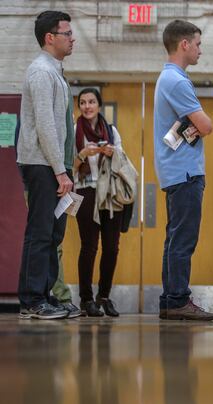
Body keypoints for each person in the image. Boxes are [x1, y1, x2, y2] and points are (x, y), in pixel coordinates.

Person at [153, 20, 213, 320]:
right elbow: (206, 125)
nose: (201, 50)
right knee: (183, 239)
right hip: (185, 172)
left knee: (174, 238)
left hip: (174, 171)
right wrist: (200, 123)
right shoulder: (177, 81)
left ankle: (170, 299)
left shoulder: (167, 79)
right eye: (198, 44)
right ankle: (178, 299)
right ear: (184, 45)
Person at [16, 11, 76, 319]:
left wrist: (67, 168)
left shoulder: (57, 73)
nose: (72, 38)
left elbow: (64, 127)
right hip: (42, 165)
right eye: (67, 33)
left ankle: (48, 296)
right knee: (40, 233)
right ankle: (31, 300)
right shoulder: (41, 72)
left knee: (53, 235)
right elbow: (45, 126)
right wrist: (59, 170)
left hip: (57, 166)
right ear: (50, 38)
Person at [72, 88, 124, 317]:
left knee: (112, 248)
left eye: (91, 101)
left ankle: (104, 297)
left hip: (109, 192)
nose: (87, 106)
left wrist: (113, 154)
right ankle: (86, 300)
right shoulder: (74, 131)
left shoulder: (111, 130)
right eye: (82, 102)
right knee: (89, 247)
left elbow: (123, 163)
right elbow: (67, 166)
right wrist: (82, 154)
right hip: (85, 191)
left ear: (99, 105)